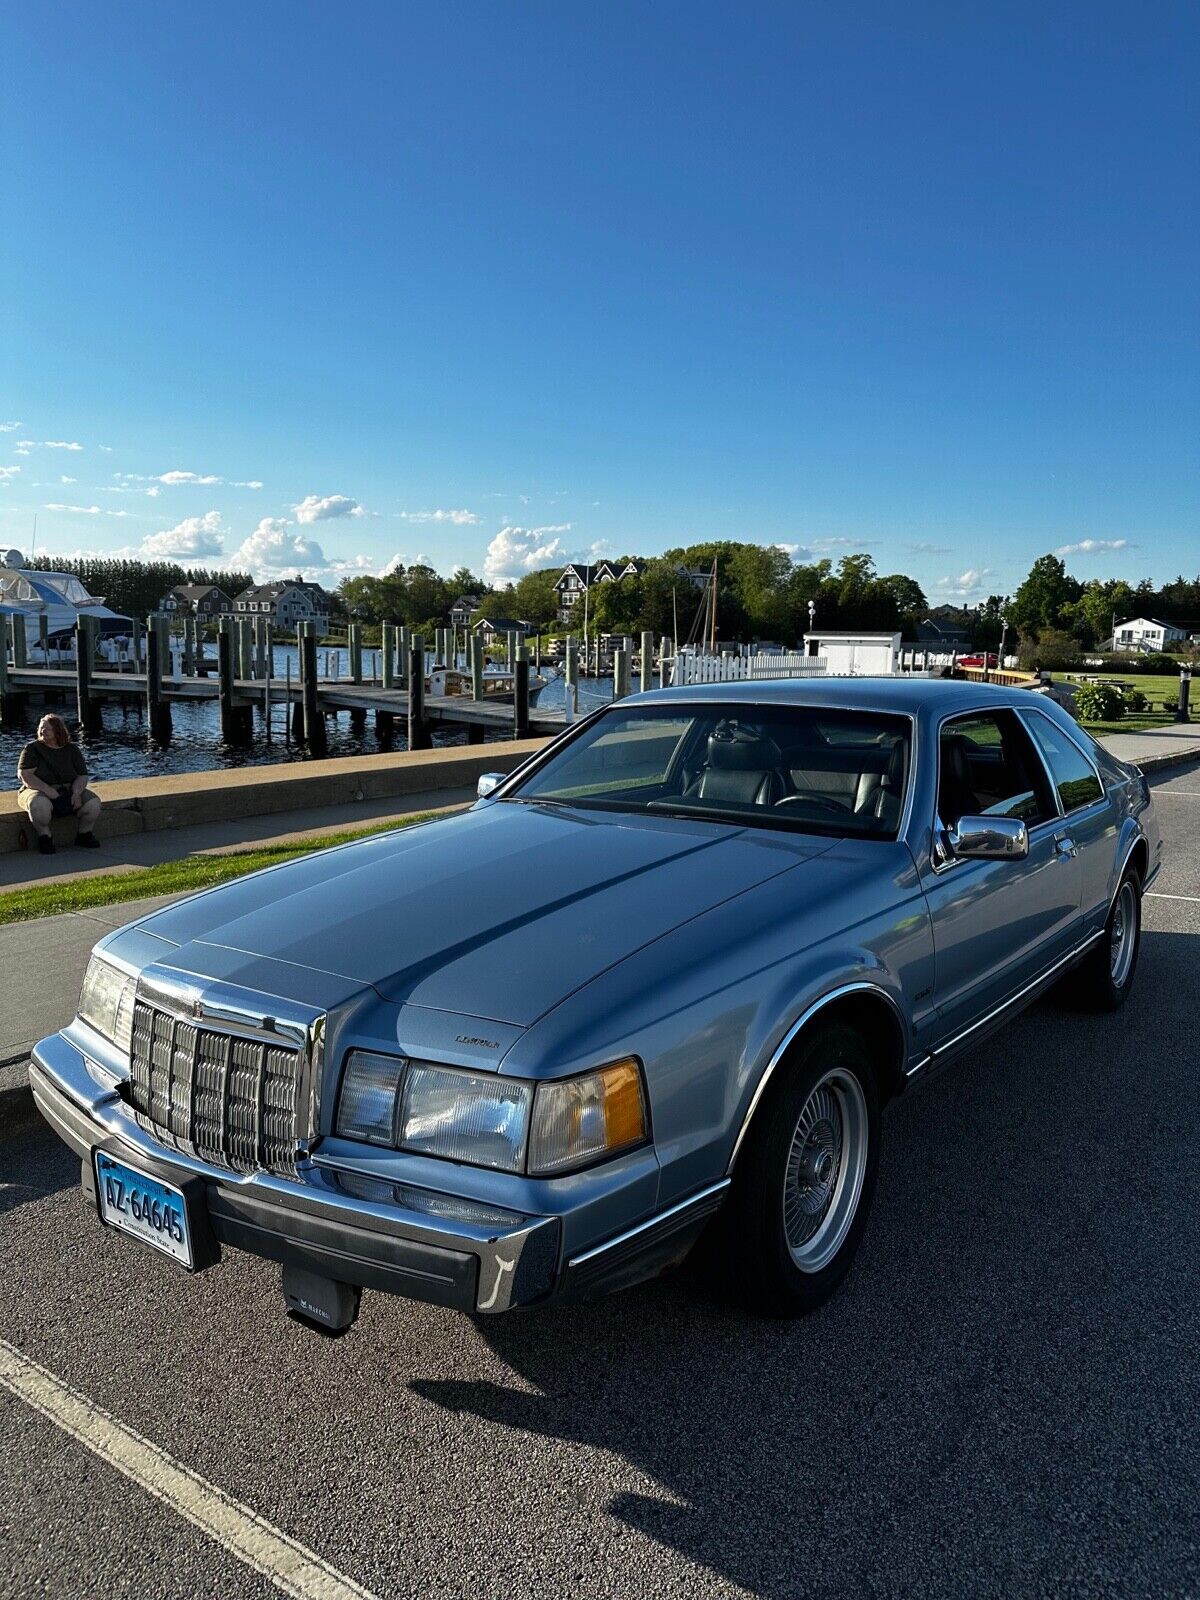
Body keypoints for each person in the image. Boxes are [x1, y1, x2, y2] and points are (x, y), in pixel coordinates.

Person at [16, 714, 101, 855]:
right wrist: (48, 790)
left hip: (67, 788)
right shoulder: (32, 749)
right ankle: (45, 837)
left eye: (47, 729)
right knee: (39, 807)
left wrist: (77, 793)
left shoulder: (72, 749)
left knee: (93, 804)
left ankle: (84, 834)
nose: (43, 731)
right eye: (41, 728)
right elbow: (25, 775)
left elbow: (82, 775)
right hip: (37, 789)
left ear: (58, 731)